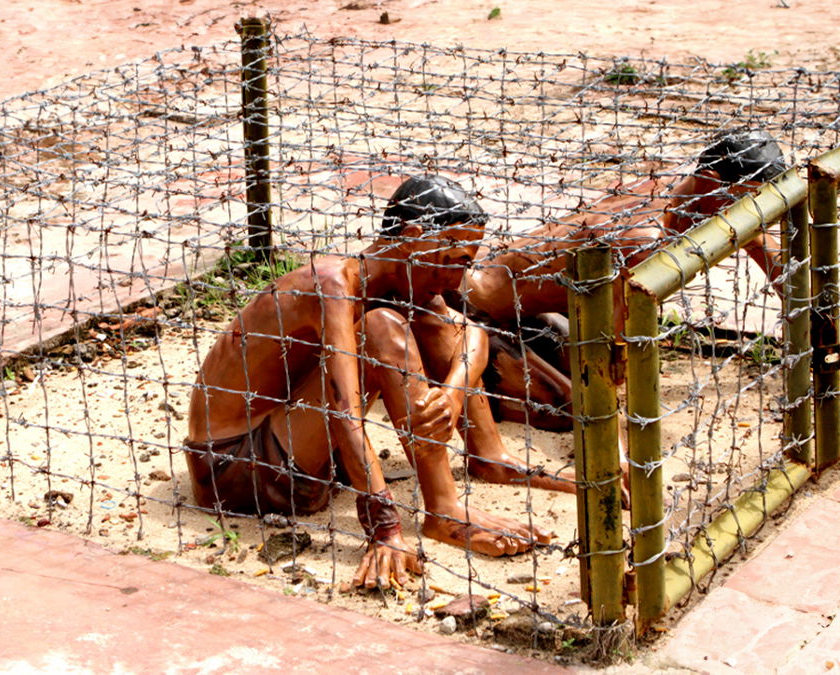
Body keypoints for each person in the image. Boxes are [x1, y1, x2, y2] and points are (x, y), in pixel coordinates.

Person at [184, 175, 571, 591]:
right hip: (240, 471)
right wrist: (384, 526)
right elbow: (342, 406)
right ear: (412, 236)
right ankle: (443, 511)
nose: (457, 280)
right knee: (383, 329)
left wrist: (453, 393)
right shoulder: (334, 286)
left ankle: (490, 457)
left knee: (433, 325)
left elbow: (470, 335)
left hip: (300, 450)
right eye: (455, 260)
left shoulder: (402, 276)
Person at [460, 130, 794, 428]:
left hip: (537, 310)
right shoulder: (645, 239)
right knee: (569, 407)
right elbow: (613, 357)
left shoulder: (698, 195)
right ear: (710, 181)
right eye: (753, 200)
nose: (759, 214)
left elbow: (787, 276)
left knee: (572, 367)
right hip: (473, 307)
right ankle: (456, 377)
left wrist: (831, 360)